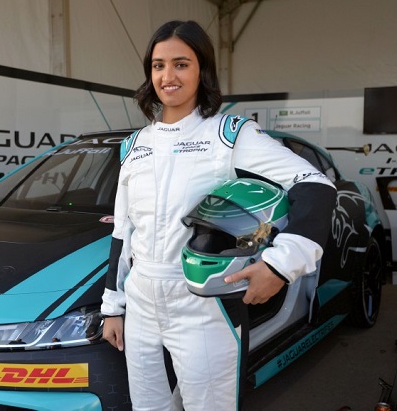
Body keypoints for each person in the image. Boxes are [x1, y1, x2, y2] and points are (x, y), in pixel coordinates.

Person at [100, 20, 337, 411]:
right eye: (158, 66)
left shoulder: (229, 133)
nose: (167, 76)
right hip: (141, 300)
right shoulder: (134, 145)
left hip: (203, 300)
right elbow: (123, 233)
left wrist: (280, 267)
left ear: (202, 70)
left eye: (181, 64)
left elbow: (314, 185)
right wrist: (113, 307)